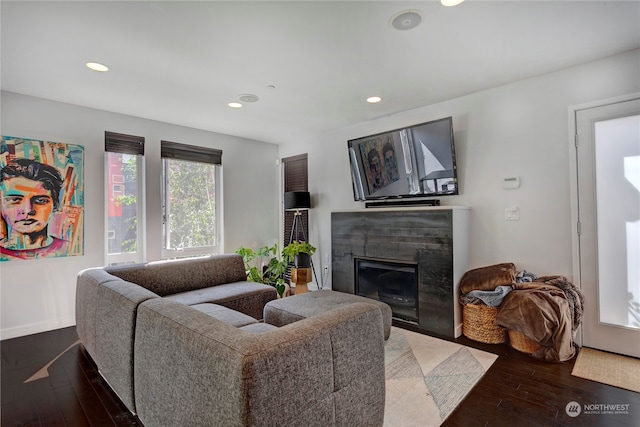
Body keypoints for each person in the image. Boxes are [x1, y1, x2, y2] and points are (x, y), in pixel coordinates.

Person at [0, 158, 69, 260]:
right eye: (14, 199)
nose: (28, 210)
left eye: (40, 201)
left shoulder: (68, 248)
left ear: (55, 204)